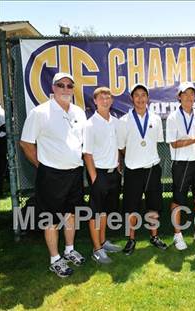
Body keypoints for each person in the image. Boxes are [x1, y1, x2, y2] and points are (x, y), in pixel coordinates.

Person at [20, 72, 86, 278]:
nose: (66, 89)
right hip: (51, 176)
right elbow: (26, 143)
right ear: (53, 88)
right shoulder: (40, 112)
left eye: (69, 86)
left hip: (75, 173)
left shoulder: (78, 112)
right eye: (61, 85)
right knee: (51, 219)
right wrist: (43, 165)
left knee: (71, 215)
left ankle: (69, 249)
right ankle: (55, 259)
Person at [117, 83, 168, 255]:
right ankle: (131, 239)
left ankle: (154, 237)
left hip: (152, 168)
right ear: (132, 98)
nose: (140, 98)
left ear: (148, 98)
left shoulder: (155, 119)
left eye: (143, 95)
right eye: (136, 95)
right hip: (133, 170)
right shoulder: (124, 121)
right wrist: (132, 156)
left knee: (153, 206)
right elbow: (121, 147)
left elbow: (157, 142)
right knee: (131, 207)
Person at [166, 82, 195, 250]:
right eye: (185, 94)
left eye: (191, 94)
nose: (188, 97)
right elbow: (174, 143)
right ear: (179, 97)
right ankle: (178, 234)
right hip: (181, 164)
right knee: (178, 200)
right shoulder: (172, 117)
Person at [83, 87, 122, 264]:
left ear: (112, 101)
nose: (105, 100)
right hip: (99, 175)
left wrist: (119, 167)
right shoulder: (90, 124)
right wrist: (94, 178)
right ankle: (96, 249)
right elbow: (87, 154)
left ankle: (103, 242)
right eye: (101, 98)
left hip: (114, 173)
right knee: (95, 213)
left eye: (108, 97)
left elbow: (118, 147)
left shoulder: (116, 122)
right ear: (95, 101)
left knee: (106, 212)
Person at [0, 101, 7, 200]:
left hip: (0, 143)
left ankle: (0, 191)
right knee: (0, 169)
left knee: (0, 169)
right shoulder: (3, 112)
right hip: (2, 143)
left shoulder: (0, 113)